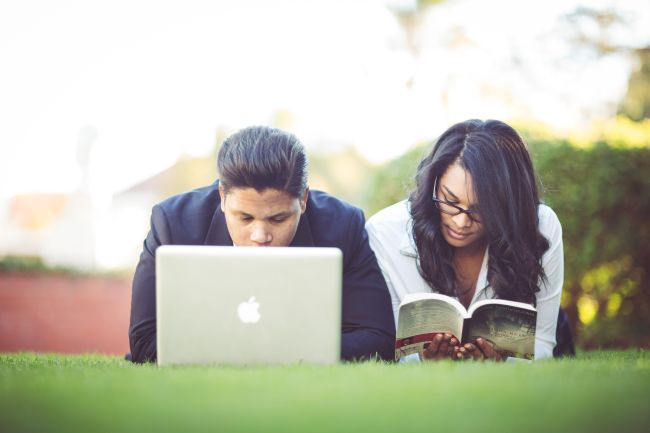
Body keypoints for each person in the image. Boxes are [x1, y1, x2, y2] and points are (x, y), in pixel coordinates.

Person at [129, 126, 395, 363]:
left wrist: (265, 351)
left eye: (278, 219)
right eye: (245, 217)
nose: (260, 235)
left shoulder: (342, 225)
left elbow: (377, 338)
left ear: (303, 200)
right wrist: (281, 351)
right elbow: (144, 341)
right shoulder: (173, 223)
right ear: (223, 197)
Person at [366, 119, 573, 361]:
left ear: (507, 206)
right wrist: (424, 360)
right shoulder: (385, 232)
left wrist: (503, 361)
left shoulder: (541, 226)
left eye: (481, 210)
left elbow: (543, 346)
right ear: (433, 183)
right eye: (450, 201)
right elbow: (383, 348)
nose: (461, 223)